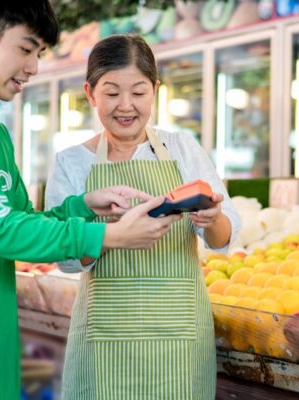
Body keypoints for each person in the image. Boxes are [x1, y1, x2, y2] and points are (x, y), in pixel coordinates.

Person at [0, 3, 179, 399]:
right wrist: (108, 238)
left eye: (39, 53)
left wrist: (83, 206)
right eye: (26, 49)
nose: (34, 67)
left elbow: (21, 220)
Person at [45, 34, 241, 399]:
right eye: (111, 92)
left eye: (138, 92)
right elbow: (66, 259)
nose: (126, 106)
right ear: (90, 94)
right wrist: (114, 234)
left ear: (155, 90)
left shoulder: (183, 149)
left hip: (179, 346)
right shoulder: (72, 162)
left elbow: (223, 238)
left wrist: (212, 218)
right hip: (105, 347)